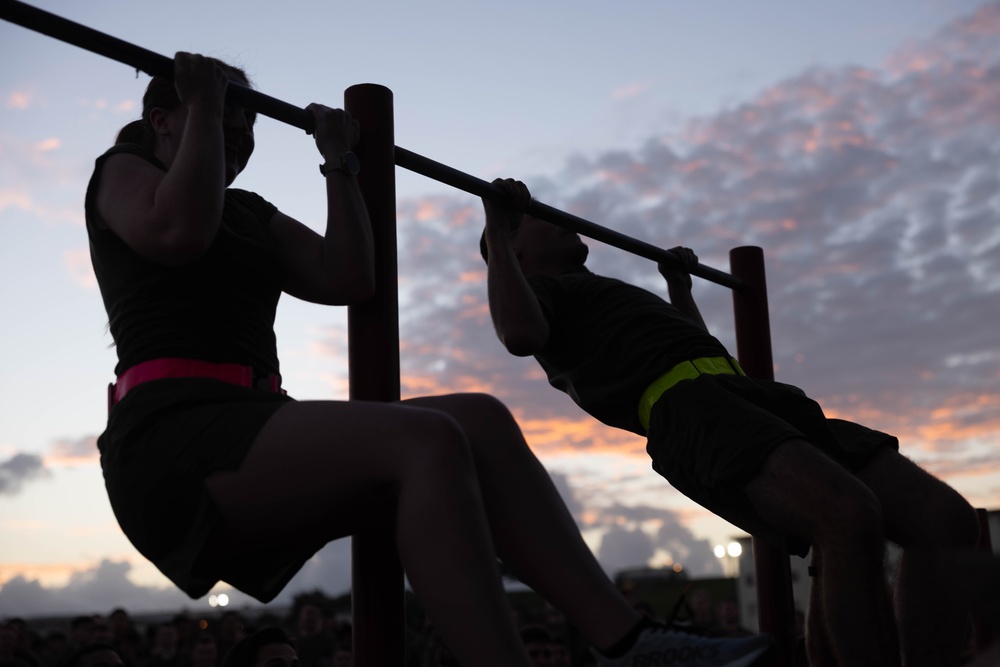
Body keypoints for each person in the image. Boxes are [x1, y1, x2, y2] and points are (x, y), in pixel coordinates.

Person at [86, 53, 772, 667]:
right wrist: (207, 99)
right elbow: (175, 231)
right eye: (227, 111)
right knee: (429, 440)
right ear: (161, 118)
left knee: (479, 420)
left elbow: (348, 276)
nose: (241, 129)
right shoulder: (125, 171)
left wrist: (339, 162)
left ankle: (626, 640)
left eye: (248, 119)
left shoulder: (247, 209)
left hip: (252, 420)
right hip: (172, 435)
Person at [480, 178, 983, 667]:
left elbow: (698, 347)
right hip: (694, 415)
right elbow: (518, 334)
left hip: (749, 395)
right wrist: (496, 226)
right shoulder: (541, 296)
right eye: (532, 220)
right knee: (846, 515)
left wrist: (679, 289)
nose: (553, 218)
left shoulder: (605, 291)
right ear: (514, 250)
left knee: (945, 519)